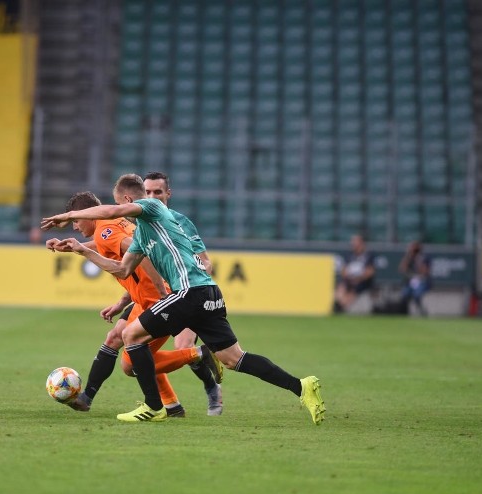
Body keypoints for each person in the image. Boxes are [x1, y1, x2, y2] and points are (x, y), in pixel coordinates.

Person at [42, 173, 324, 425]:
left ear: (130, 201)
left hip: (189, 293)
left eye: (123, 208)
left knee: (130, 335)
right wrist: (82, 250)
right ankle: (302, 387)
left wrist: (66, 217)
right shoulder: (143, 234)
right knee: (234, 359)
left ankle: (155, 406)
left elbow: (113, 210)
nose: (121, 217)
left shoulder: (152, 208)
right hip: (208, 293)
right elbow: (122, 268)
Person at [51, 191, 224, 417]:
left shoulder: (106, 231)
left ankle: (199, 354)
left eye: (76, 220)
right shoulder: (113, 224)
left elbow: (139, 251)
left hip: (155, 299)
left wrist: (162, 291)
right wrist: (77, 247)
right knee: (115, 338)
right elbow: (110, 245)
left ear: (89, 215)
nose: (74, 226)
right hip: (142, 298)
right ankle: (167, 405)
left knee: (133, 363)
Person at [142, 171, 224, 402]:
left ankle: (210, 389)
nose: (152, 196)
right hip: (162, 298)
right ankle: (169, 401)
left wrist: (192, 279)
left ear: (168, 193)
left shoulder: (180, 221)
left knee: (183, 345)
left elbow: (206, 261)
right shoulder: (142, 223)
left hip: (187, 294)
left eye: (157, 192)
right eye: (147, 192)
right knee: (140, 349)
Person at [333, 234, 376, 313]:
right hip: (349, 281)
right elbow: (344, 271)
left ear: (362, 243)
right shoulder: (349, 255)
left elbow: (370, 272)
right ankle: (340, 305)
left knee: (353, 292)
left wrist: (358, 278)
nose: (353, 244)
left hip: (362, 283)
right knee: (340, 289)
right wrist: (349, 278)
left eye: (356, 242)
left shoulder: (369, 256)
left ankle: (343, 307)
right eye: (353, 242)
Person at [398, 240, 432, 316]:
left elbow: (425, 271)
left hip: (422, 281)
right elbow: (401, 269)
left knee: (417, 295)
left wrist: (417, 259)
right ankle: (405, 312)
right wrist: (408, 256)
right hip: (410, 281)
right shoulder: (409, 257)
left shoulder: (424, 257)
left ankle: (421, 311)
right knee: (404, 294)